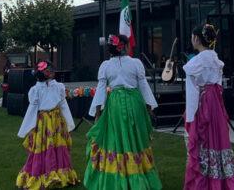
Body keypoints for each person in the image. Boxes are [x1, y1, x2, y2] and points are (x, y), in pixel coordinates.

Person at [84, 34, 161, 190]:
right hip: (135, 103)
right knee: (135, 138)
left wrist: (98, 113)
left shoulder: (105, 66)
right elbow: (143, 86)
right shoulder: (136, 63)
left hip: (115, 105)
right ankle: (136, 173)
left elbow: (101, 91)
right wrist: (149, 107)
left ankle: (118, 175)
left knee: (117, 137)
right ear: (125, 46)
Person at [183, 24, 234, 189]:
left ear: (196, 39)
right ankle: (222, 177)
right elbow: (218, 85)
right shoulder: (216, 60)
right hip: (216, 104)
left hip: (202, 102)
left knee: (203, 141)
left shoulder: (195, 62)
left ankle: (205, 180)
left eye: (192, 37)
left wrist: (190, 117)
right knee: (218, 139)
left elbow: (192, 92)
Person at [16, 60, 79, 189]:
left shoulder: (59, 86)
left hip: (56, 122)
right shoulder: (35, 90)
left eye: (52, 70)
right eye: (49, 70)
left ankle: (60, 174)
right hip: (43, 123)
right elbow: (32, 108)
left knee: (58, 147)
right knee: (43, 147)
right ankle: (43, 174)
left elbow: (63, 104)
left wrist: (69, 123)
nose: (52, 72)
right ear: (43, 73)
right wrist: (26, 128)